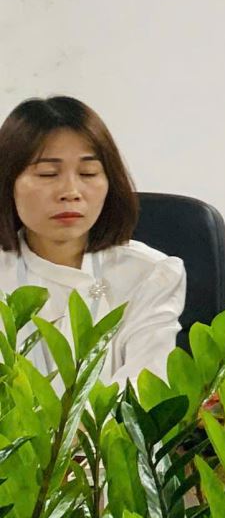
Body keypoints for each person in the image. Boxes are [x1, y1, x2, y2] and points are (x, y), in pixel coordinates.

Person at [0, 96, 184, 385]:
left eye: (88, 173)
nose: (70, 192)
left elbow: (146, 392)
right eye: (48, 174)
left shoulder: (149, 274)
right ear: (7, 182)